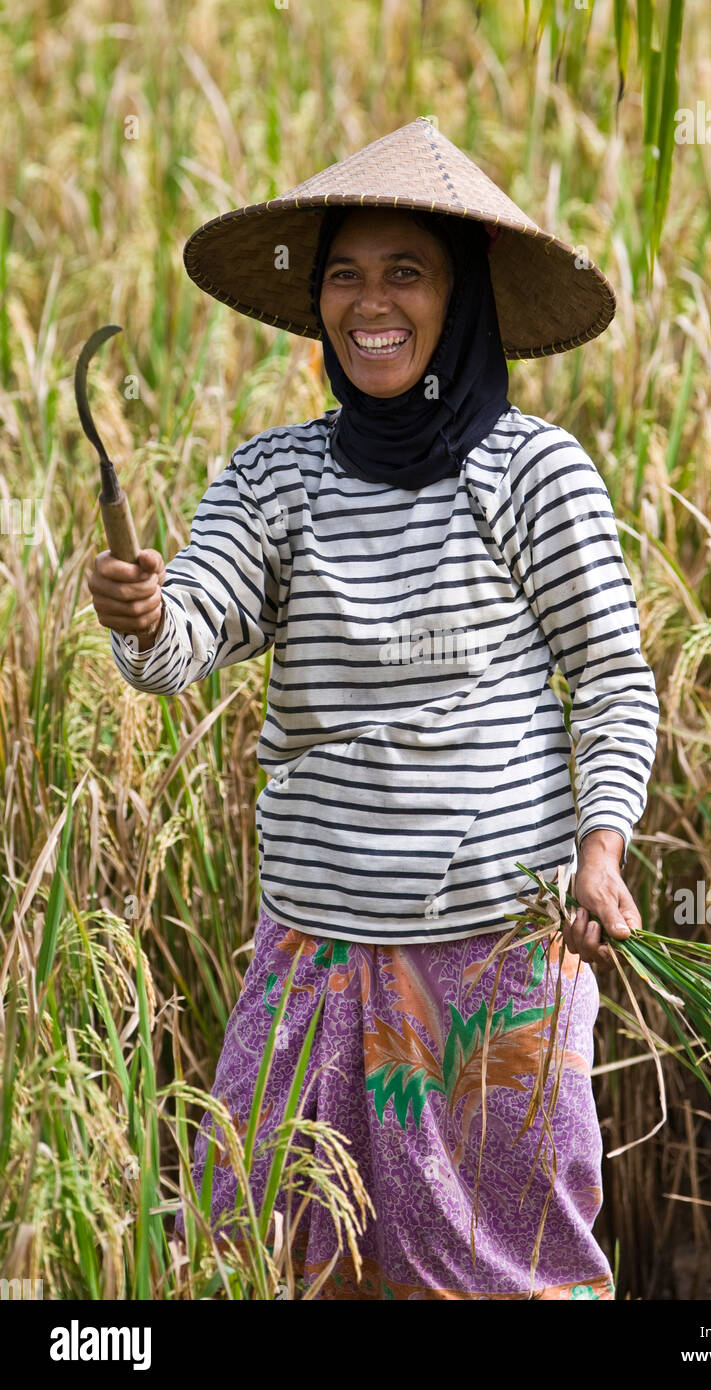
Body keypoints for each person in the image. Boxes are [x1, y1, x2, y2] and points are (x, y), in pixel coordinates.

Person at [87, 119, 659, 1300]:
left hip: (496, 955)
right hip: (316, 958)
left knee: (507, 1265)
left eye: (406, 271)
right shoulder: (273, 479)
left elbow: (609, 675)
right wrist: (143, 617)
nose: (368, 302)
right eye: (343, 273)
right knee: (275, 1246)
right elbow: (188, 638)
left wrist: (600, 849)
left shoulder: (532, 475)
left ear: (463, 302)